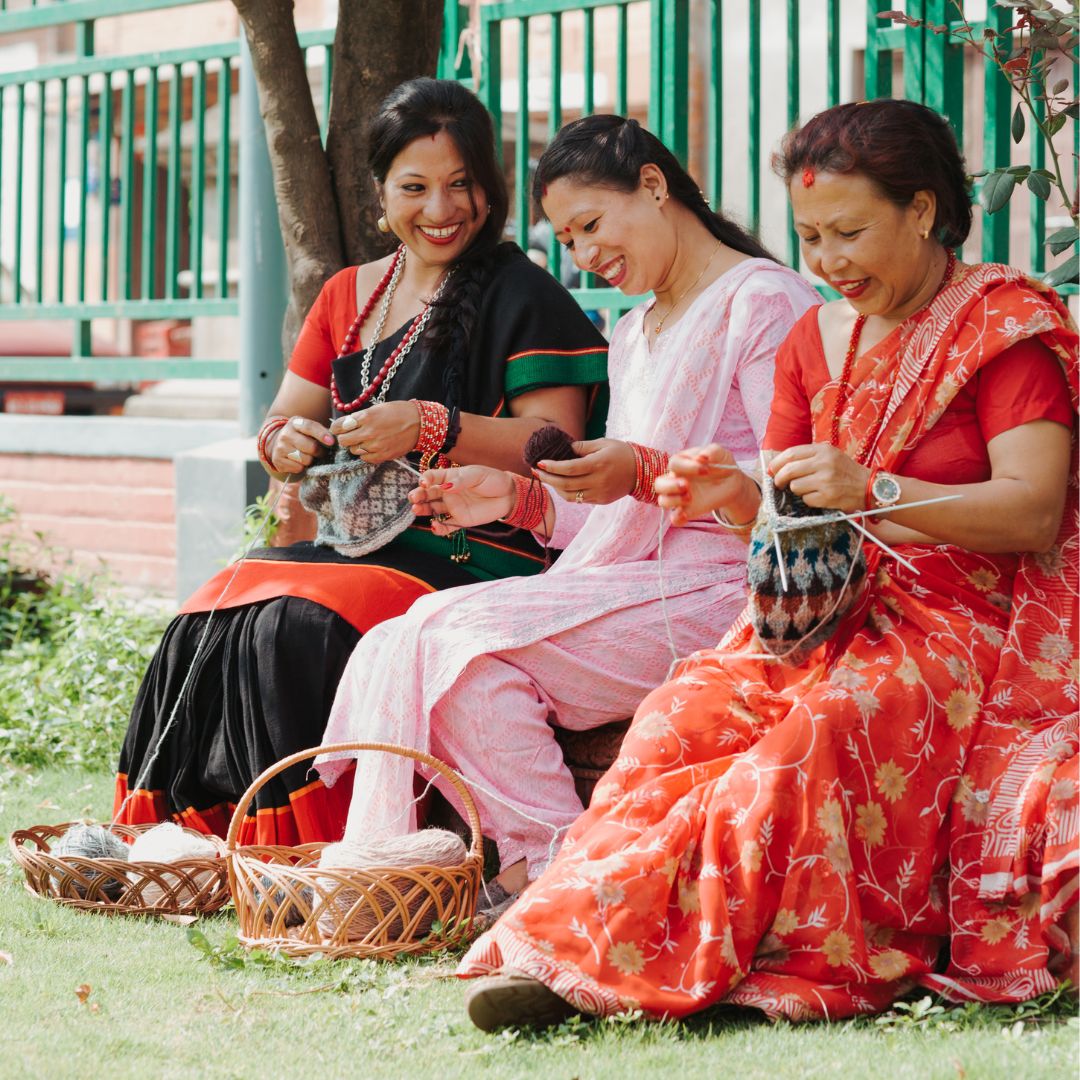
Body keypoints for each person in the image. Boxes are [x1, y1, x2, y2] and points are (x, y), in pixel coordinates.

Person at [459, 99, 1077, 1030]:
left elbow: (1032, 510)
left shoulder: (1002, 328)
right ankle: (576, 945)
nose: (827, 262)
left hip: (961, 629)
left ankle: (739, 962)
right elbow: (792, 518)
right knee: (676, 721)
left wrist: (872, 491)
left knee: (818, 733)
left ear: (922, 209)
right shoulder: (814, 340)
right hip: (820, 616)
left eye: (849, 233)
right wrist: (736, 497)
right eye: (810, 237)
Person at [316, 114, 819, 910]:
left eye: (589, 225)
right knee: (421, 645)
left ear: (652, 186)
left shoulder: (762, 301)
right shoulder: (634, 332)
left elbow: (802, 485)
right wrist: (516, 500)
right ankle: (555, 863)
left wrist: (647, 470)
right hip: (635, 580)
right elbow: (618, 512)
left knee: (454, 639)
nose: (583, 255)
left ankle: (553, 874)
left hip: (733, 590)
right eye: (567, 239)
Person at [113, 79, 608, 847]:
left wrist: (430, 424)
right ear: (381, 192)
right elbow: (283, 419)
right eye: (415, 187)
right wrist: (284, 443)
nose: (441, 208)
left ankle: (311, 845)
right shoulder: (348, 295)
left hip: (475, 555)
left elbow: (554, 444)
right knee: (213, 608)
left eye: (461, 184)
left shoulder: (524, 293)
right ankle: (186, 839)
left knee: (295, 622)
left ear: (490, 188)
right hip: (352, 547)